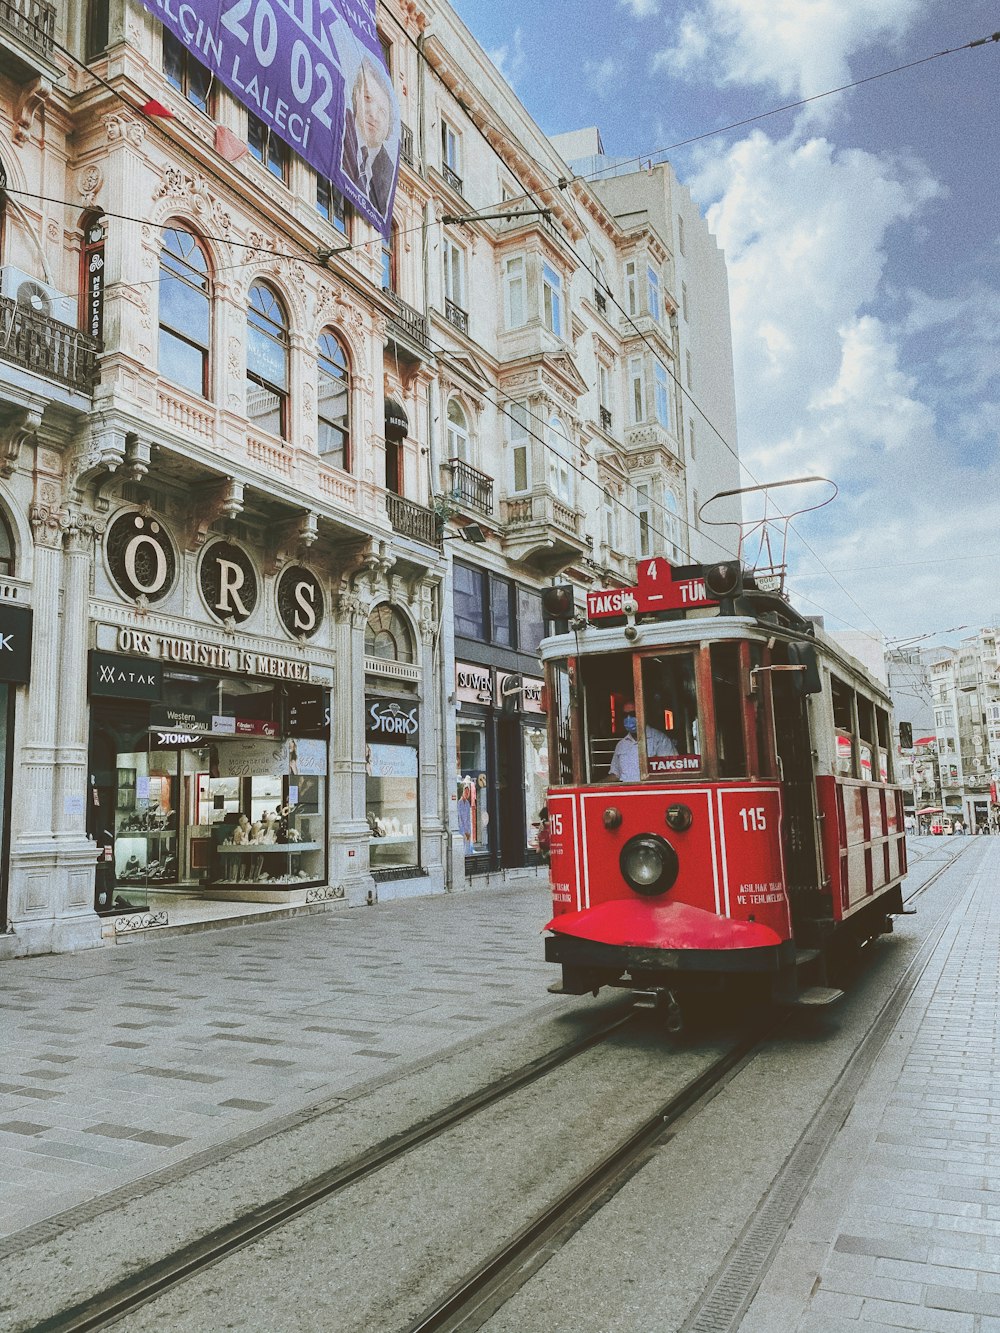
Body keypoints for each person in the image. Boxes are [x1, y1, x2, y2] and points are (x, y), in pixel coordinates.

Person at [340, 57, 395, 218]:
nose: (373, 113)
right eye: (368, 99)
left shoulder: (387, 173)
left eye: (382, 112)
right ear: (356, 94)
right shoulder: (337, 134)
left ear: (388, 125)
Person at [608, 700, 676, 782]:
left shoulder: (659, 739)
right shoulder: (621, 745)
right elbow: (615, 774)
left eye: (633, 714)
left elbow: (672, 770)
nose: (628, 718)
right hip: (627, 792)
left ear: (643, 714)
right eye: (625, 715)